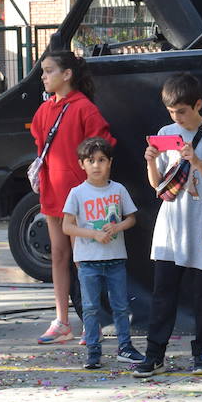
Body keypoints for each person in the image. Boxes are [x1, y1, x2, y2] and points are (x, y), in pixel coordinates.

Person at [135, 74, 202, 377]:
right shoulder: (165, 132)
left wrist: (196, 160)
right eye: (172, 112)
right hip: (171, 224)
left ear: (198, 105)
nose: (177, 118)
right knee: (163, 292)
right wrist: (150, 161)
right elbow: (157, 185)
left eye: (182, 111)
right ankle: (154, 354)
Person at [32, 52, 114, 345]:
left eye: (49, 70)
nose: (43, 76)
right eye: (43, 71)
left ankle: (91, 322)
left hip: (79, 195)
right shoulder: (44, 111)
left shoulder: (85, 109)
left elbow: (103, 145)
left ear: (67, 74)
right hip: (53, 191)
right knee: (58, 255)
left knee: (83, 259)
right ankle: (62, 321)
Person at [62, 137, 142, 369]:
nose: (96, 165)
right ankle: (93, 352)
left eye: (101, 160)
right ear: (82, 164)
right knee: (90, 307)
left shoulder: (118, 189)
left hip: (116, 259)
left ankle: (125, 347)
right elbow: (67, 226)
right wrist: (93, 235)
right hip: (88, 261)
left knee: (120, 306)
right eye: (91, 160)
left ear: (110, 163)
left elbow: (132, 218)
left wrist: (117, 227)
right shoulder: (77, 193)